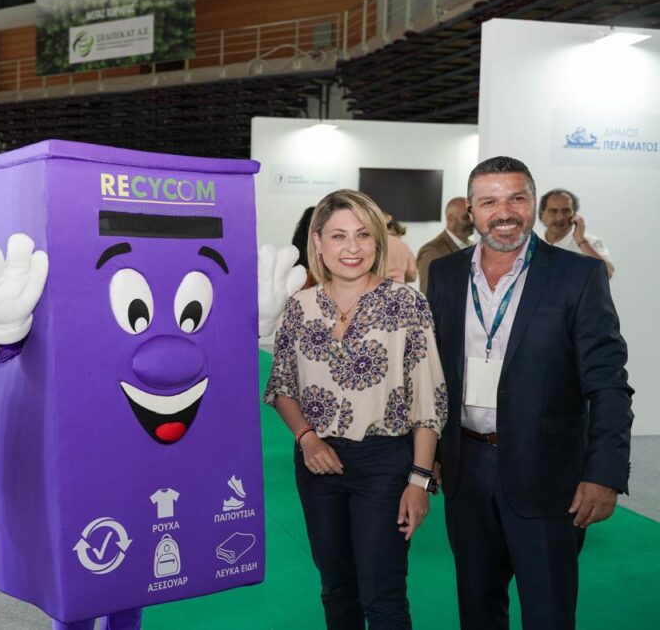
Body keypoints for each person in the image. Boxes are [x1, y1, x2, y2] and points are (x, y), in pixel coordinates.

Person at [426, 156, 633, 630]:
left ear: (533, 203)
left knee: (548, 613)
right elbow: (433, 372)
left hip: (549, 474)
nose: (504, 212)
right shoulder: (445, 273)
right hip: (465, 469)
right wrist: (431, 450)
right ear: (471, 211)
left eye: (516, 198)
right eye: (489, 202)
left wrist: (604, 472)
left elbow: (608, 382)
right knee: (477, 609)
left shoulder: (578, 275)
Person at [264, 190, 446, 629]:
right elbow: (282, 386)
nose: (352, 248)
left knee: (383, 594)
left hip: (385, 463)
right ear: (318, 241)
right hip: (317, 463)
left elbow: (428, 401)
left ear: (378, 241)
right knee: (336, 588)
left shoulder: (406, 304)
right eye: (339, 235)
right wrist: (307, 438)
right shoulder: (300, 306)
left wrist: (419, 479)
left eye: (363, 235)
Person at [539, 187, 614, 278]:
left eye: (566, 211)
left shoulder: (591, 242)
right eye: (553, 211)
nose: (560, 217)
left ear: (574, 215)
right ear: (542, 215)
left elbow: (607, 274)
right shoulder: (533, 243)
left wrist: (581, 240)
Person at [417, 197, 473, 293]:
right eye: (466, 217)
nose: (472, 221)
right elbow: (428, 293)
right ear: (450, 219)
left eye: (473, 216)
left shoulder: (474, 246)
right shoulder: (431, 251)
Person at [384, 216, 418, 284]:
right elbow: (412, 275)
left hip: (376, 287)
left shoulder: (373, 242)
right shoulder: (404, 246)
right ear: (399, 233)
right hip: (398, 287)